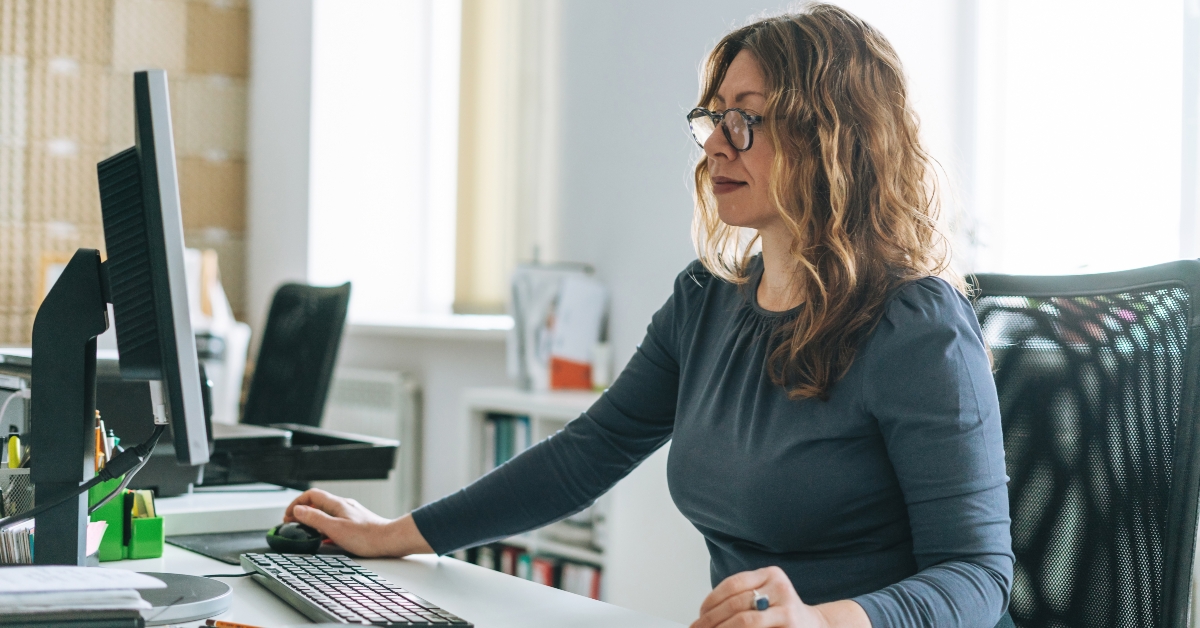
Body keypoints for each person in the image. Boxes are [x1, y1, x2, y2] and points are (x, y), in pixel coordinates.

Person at [283, 4, 1014, 627]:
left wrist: (820, 620)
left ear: (832, 139)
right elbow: (586, 454)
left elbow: (977, 578)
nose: (717, 145)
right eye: (714, 118)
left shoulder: (915, 325)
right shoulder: (707, 301)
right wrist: (399, 534)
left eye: (749, 120)